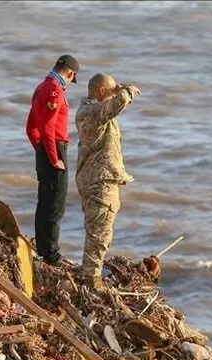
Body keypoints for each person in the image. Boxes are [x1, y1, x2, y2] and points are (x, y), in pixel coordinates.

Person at [74, 73, 141, 290]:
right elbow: (117, 104)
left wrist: (116, 90)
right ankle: (92, 282)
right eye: (111, 90)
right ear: (102, 91)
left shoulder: (91, 111)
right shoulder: (93, 111)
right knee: (99, 235)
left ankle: (91, 276)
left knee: (99, 231)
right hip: (100, 182)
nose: (114, 93)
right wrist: (127, 90)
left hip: (97, 180)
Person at [26, 54, 80, 265]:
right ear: (70, 73)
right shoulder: (55, 91)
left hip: (44, 148)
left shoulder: (40, 88)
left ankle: (43, 248)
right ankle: (51, 254)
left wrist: (39, 148)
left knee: (45, 201)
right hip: (54, 148)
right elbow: (48, 128)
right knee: (56, 204)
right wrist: (54, 157)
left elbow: (31, 127)